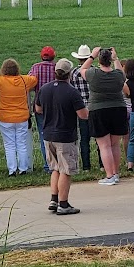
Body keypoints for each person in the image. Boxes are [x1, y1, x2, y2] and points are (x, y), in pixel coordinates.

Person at [35, 58, 88, 215]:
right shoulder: (72, 92)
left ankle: (54, 199)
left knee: (55, 168)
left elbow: (38, 109)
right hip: (65, 135)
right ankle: (63, 204)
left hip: (48, 134)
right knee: (66, 169)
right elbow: (83, 115)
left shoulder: (44, 89)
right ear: (69, 74)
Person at [80, 46, 128, 185]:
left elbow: (82, 69)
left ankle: (109, 175)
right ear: (110, 60)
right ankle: (116, 173)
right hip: (118, 108)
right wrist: (116, 58)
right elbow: (121, 72)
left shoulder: (93, 74)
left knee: (104, 145)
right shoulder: (118, 75)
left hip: (99, 110)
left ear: (99, 60)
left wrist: (91, 56)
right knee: (114, 145)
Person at [0, 59, 36, 176]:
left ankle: (12, 170)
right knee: (22, 144)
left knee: (9, 145)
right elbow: (34, 79)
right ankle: (23, 168)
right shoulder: (24, 80)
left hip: (5, 118)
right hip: (22, 117)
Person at [29, 46, 57, 172]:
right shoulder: (57, 67)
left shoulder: (36, 67)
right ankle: (57, 163)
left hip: (39, 106)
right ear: (53, 56)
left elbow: (29, 83)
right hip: (56, 106)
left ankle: (48, 164)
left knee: (43, 135)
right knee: (57, 134)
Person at [70, 44, 96, 171]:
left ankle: (86, 166)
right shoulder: (96, 71)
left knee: (84, 139)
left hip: (81, 109)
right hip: (96, 107)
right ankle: (103, 165)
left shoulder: (73, 73)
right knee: (100, 138)